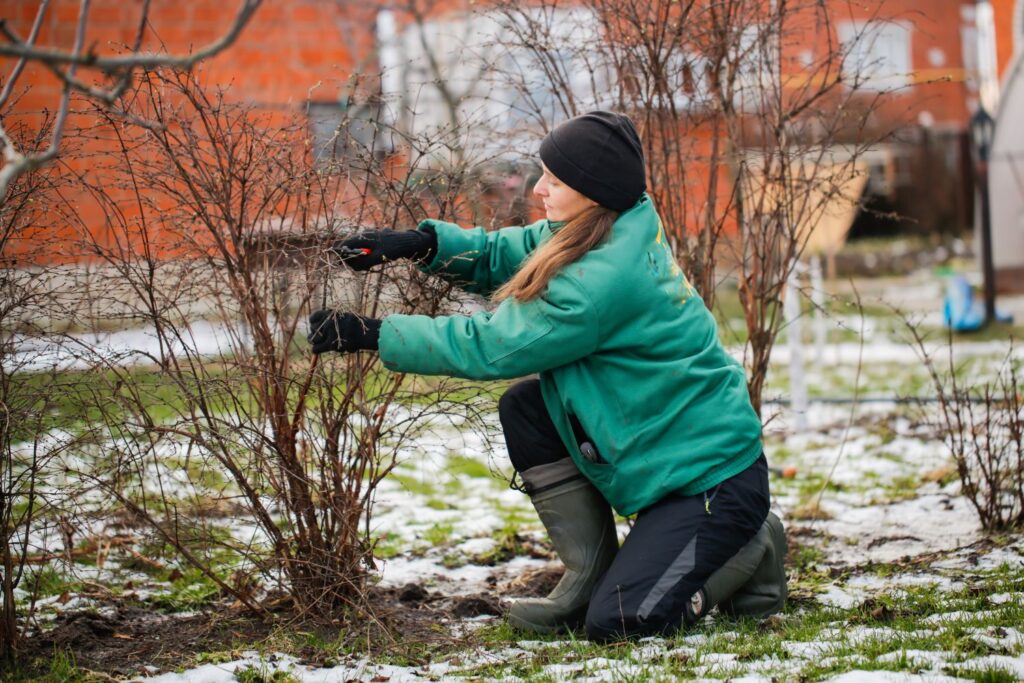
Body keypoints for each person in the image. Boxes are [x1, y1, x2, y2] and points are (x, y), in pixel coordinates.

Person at [307, 111, 787, 641]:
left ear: (592, 189)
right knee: (529, 409)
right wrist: (419, 245)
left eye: (554, 180)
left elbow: (493, 346)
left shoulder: (598, 282)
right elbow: (505, 253)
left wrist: (375, 334)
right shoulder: (613, 226)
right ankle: (593, 574)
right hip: (669, 462)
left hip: (710, 484)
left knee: (624, 623)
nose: (539, 189)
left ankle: (752, 544)